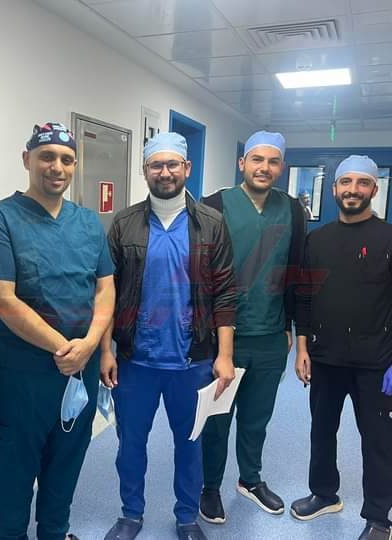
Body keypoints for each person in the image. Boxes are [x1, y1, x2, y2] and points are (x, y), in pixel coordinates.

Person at [0, 122, 115, 540]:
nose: (57, 167)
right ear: (27, 160)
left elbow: (105, 288)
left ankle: (55, 532)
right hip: (24, 370)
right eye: (46, 157)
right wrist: (65, 348)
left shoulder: (88, 222)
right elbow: (3, 299)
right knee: (16, 468)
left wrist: (90, 345)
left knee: (66, 462)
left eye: (67, 159)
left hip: (80, 367)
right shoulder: (1, 218)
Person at [101, 132, 237, 540]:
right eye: (156, 165)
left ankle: (186, 516)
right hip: (135, 360)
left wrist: (224, 355)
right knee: (130, 445)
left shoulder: (211, 224)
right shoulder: (124, 224)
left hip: (192, 360)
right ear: (145, 170)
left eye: (172, 164)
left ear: (186, 168)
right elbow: (106, 292)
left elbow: (226, 292)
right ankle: (131, 514)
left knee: (190, 445)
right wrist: (106, 350)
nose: (165, 172)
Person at [291, 155, 392, 540]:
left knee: (379, 441)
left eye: (362, 183)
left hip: (377, 364)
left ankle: (378, 518)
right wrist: (302, 347)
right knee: (322, 430)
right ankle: (324, 494)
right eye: (346, 182)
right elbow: (304, 296)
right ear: (334, 188)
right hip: (325, 358)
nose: (353, 190)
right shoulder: (317, 240)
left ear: (374, 189)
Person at [199, 130, 306, 521]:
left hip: (271, 335)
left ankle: (250, 479)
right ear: (242, 163)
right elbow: (200, 274)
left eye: (273, 161)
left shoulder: (292, 210)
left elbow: (296, 273)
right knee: (216, 419)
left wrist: (291, 328)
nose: (264, 167)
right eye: (257, 159)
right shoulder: (213, 205)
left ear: (282, 167)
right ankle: (209, 487)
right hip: (222, 337)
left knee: (257, 417)